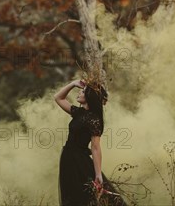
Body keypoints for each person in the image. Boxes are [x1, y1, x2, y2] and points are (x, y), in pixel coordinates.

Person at [54, 78, 128, 206]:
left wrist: (98, 173)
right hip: (68, 158)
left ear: (89, 97)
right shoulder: (79, 113)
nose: (79, 93)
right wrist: (73, 84)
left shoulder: (94, 120)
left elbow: (95, 147)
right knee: (72, 196)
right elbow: (58, 98)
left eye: (82, 92)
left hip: (79, 160)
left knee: (88, 196)